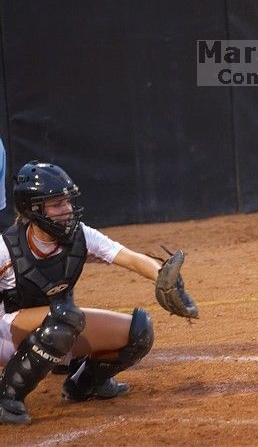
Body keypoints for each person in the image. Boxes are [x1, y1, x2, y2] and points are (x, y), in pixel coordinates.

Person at [0, 161, 198, 424]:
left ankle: (84, 384)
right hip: (6, 334)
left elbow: (130, 258)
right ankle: (7, 399)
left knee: (139, 332)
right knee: (64, 319)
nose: (67, 210)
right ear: (32, 208)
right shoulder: (5, 249)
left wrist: (164, 277)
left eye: (68, 202)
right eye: (57, 204)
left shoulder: (79, 236)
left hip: (57, 326)